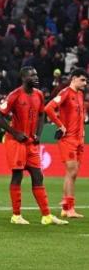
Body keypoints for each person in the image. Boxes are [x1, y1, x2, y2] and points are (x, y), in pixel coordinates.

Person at [0, 67, 67, 225]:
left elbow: (41, 115)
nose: (36, 76)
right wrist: (15, 132)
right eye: (32, 74)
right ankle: (16, 215)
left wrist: (39, 135)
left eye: (36, 73)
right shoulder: (15, 95)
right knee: (17, 176)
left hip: (31, 143)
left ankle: (46, 216)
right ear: (23, 77)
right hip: (16, 142)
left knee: (38, 176)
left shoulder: (39, 94)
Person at [44, 68, 88, 218]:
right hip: (68, 139)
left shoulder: (80, 95)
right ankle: (69, 208)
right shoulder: (65, 93)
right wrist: (60, 125)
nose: (85, 83)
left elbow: (80, 116)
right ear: (74, 78)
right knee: (72, 171)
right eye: (82, 80)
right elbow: (48, 108)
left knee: (73, 173)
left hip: (78, 139)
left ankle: (66, 207)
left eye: (86, 81)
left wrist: (82, 133)